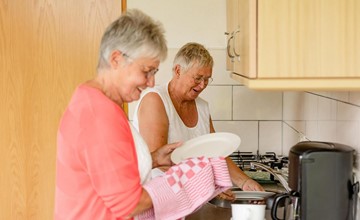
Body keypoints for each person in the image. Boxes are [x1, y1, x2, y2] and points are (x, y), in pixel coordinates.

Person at [54, 10, 232, 220]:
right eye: (146, 71)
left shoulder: (91, 97)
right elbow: (128, 204)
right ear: (116, 60)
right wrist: (186, 180)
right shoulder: (100, 115)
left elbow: (108, 171)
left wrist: (154, 159)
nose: (151, 82)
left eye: (154, 73)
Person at [132, 42, 264, 196]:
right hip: (158, 199)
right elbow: (159, 162)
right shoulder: (155, 100)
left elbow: (217, 152)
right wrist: (205, 186)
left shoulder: (202, 107)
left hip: (189, 197)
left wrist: (244, 181)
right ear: (178, 71)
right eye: (197, 78)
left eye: (207, 79)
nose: (202, 85)